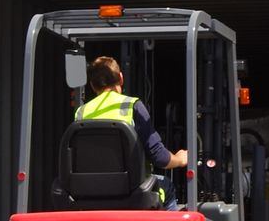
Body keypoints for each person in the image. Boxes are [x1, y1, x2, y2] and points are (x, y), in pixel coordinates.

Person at [76, 56, 188, 207]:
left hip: (91, 191)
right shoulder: (132, 106)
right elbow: (159, 156)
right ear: (120, 78)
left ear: (92, 85)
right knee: (166, 185)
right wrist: (179, 159)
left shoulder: (81, 113)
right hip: (131, 192)